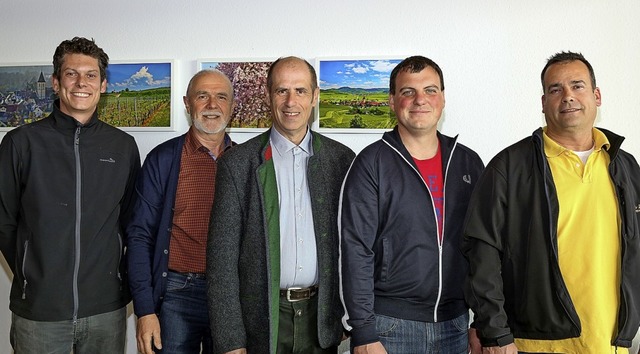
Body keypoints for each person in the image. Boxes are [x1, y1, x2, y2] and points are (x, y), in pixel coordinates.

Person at [462, 51, 640, 354]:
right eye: (555, 89)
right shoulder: (509, 167)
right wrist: (495, 333)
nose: (568, 96)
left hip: (611, 344)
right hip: (533, 344)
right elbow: (481, 252)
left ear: (596, 96)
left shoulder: (625, 166)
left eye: (577, 86)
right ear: (543, 103)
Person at [0, 37, 140, 353]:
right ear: (55, 81)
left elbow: (130, 221)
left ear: (103, 84)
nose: (81, 83)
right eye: (71, 73)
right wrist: (33, 275)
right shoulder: (21, 143)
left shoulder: (123, 147)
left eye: (91, 75)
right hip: (40, 314)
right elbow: (4, 223)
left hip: (105, 310)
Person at [206, 56, 355, 354]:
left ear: (315, 97)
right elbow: (221, 262)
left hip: (321, 321)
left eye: (300, 91)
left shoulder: (342, 160)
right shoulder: (237, 164)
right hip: (262, 320)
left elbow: (354, 249)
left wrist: (346, 319)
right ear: (267, 95)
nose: (291, 101)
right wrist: (231, 341)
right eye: (281, 91)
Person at [339, 55, 485, 354]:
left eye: (430, 90)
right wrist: (363, 332)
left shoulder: (467, 162)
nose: (421, 100)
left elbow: (484, 248)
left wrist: (482, 322)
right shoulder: (371, 163)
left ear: (442, 98)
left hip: (455, 324)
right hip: (389, 327)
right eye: (408, 92)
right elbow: (355, 250)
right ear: (393, 101)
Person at [127, 69, 236, 354]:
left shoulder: (246, 162)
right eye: (203, 96)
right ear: (188, 104)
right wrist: (145, 310)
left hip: (229, 297)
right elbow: (139, 236)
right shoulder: (162, 160)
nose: (212, 105)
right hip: (176, 292)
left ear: (232, 105)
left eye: (221, 96)